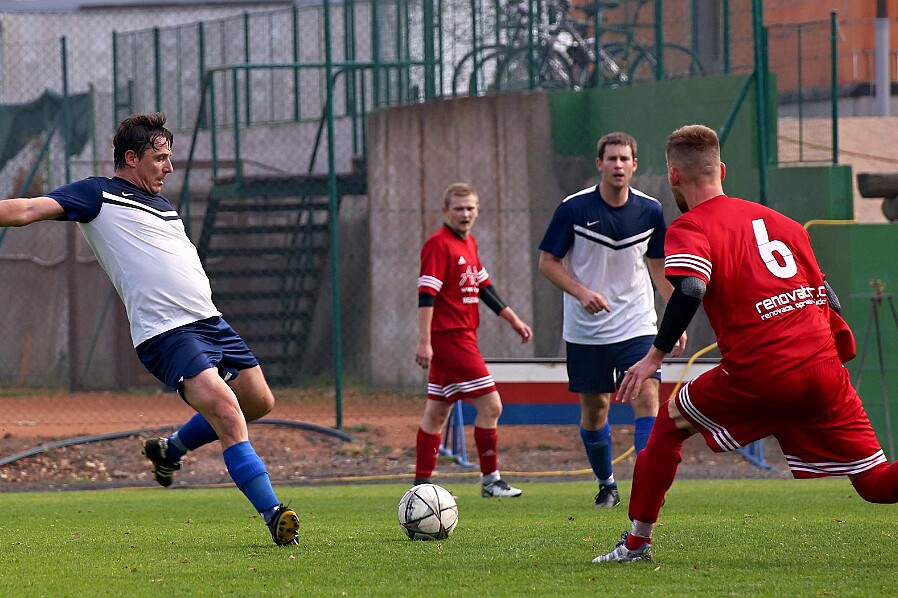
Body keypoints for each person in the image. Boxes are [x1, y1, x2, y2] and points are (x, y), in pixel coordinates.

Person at [594, 124, 898, 563]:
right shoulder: (786, 225)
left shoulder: (689, 226)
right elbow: (826, 295)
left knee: (667, 427)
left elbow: (693, 289)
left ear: (674, 177)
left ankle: (637, 543)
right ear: (721, 169)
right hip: (824, 369)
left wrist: (653, 356)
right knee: (874, 484)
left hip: (761, 370)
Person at [0, 112, 300, 546]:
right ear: (131, 157)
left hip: (210, 321)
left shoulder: (164, 206)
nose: (169, 166)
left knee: (258, 401)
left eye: (169, 157)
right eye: (160, 157)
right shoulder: (97, 194)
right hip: (167, 333)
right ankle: (275, 514)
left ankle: (171, 449)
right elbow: (28, 209)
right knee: (229, 414)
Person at [538, 132, 686, 508]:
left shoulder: (650, 210)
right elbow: (547, 264)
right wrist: (581, 292)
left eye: (625, 159)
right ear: (599, 165)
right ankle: (607, 484)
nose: (618, 165)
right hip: (586, 329)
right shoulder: (572, 209)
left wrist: (675, 317)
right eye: (612, 159)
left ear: (635, 165)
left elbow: (657, 267)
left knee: (648, 394)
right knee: (596, 407)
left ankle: (644, 484)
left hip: (637, 323)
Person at [415, 182, 533, 497]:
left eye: (470, 208)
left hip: (463, 335)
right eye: (458, 208)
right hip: (450, 338)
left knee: (437, 412)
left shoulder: (469, 244)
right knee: (492, 406)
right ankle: (491, 481)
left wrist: (514, 320)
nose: (465, 214)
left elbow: (485, 289)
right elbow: (426, 295)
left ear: (478, 210)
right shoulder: (438, 245)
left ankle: (420, 486)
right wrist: (424, 341)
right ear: (445, 211)